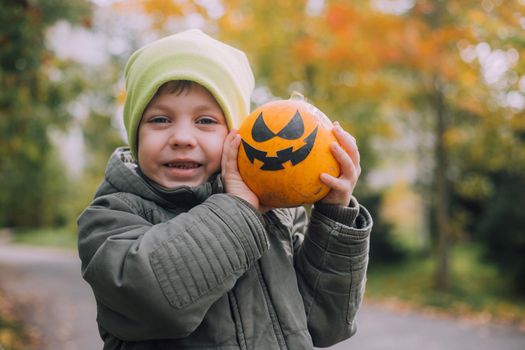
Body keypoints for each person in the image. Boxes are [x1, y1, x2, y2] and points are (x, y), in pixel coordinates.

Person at [77, 29, 373, 350]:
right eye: (160, 119)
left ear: (237, 135)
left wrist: (334, 213)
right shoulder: (111, 215)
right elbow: (155, 302)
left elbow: (325, 324)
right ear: (135, 134)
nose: (182, 138)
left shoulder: (277, 214)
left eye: (205, 121)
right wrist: (238, 211)